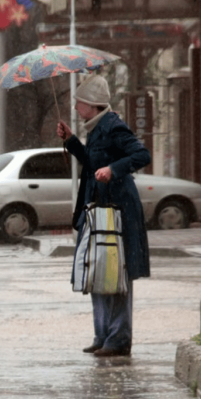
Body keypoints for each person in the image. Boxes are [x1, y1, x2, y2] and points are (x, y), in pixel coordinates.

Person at [56, 74, 151, 357]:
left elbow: (141, 155)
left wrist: (114, 169)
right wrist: (72, 141)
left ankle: (119, 339)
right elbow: (92, 161)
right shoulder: (96, 128)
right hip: (100, 209)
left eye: (79, 103)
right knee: (99, 271)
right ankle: (102, 335)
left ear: (93, 104)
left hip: (117, 211)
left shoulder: (113, 126)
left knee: (115, 271)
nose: (75, 108)